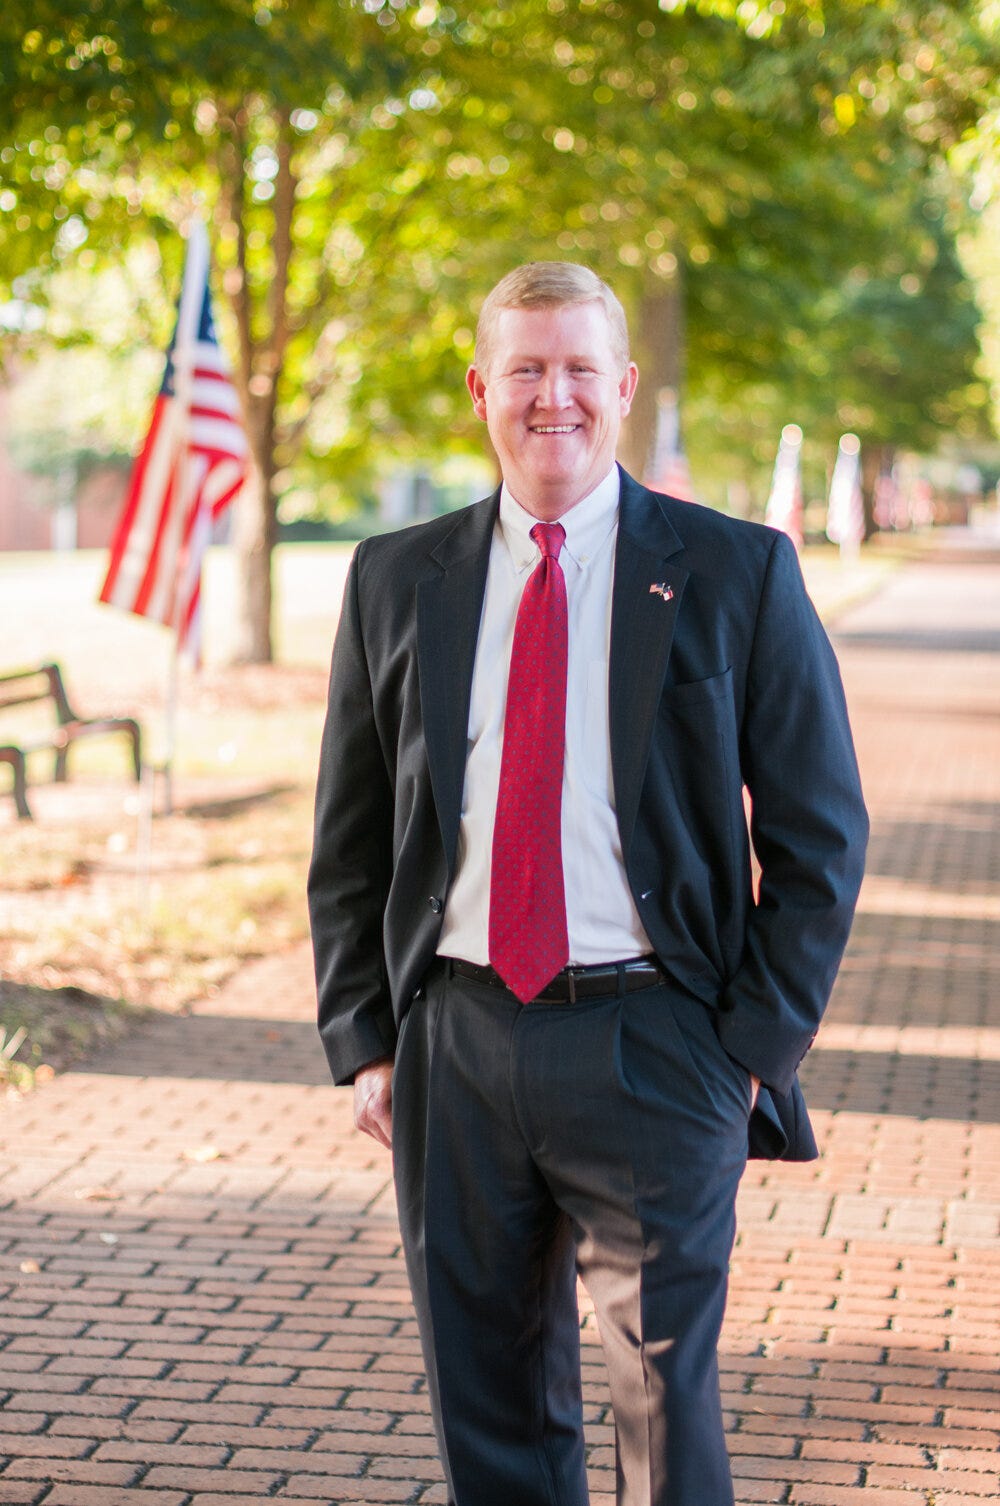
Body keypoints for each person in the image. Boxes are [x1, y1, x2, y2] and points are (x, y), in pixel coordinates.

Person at [308, 261, 868, 1506]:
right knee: (490, 1412)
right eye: (525, 368)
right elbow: (350, 836)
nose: (550, 395)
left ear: (622, 387)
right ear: (480, 389)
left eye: (577, 369)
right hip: (455, 1045)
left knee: (663, 1414)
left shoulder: (736, 572)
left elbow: (821, 836)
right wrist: (367, 1041)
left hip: (658, 1047)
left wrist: (750, 1053)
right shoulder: (395, 577)